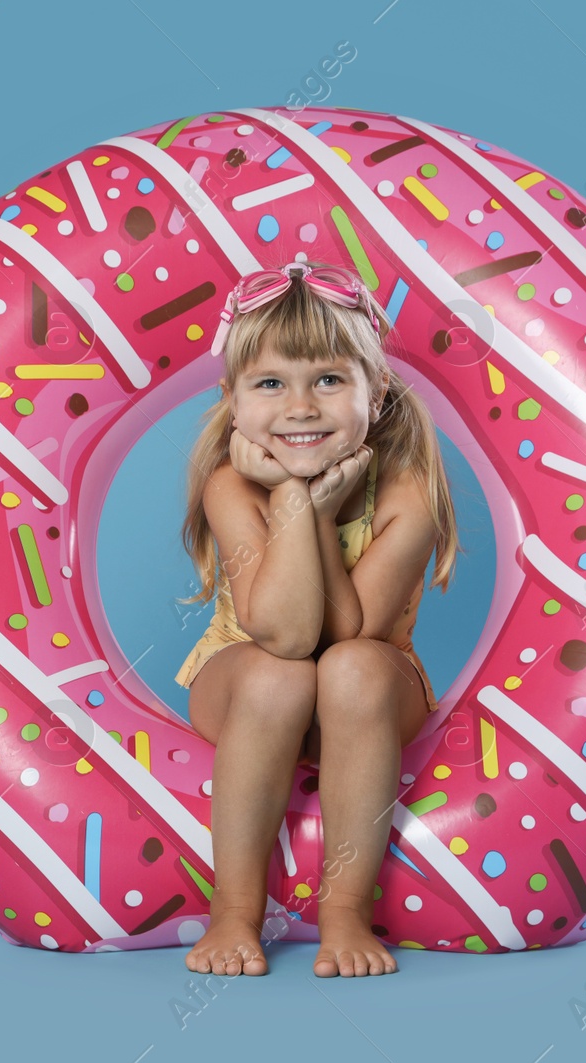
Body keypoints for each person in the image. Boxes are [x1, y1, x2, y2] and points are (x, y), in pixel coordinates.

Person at [173, 260, 459, 978]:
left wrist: (317, 506)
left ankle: (344, 912)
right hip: (245, 668)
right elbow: (284, 635)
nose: (301, 406)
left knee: (351, 669)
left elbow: (346, 635)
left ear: (377, 389)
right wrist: (295, 500)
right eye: (271, 383)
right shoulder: (230, 485)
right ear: (233, 401)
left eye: (329, 379)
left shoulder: (407, 493)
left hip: (366, 690)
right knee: (278, 676)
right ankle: (234, 912)